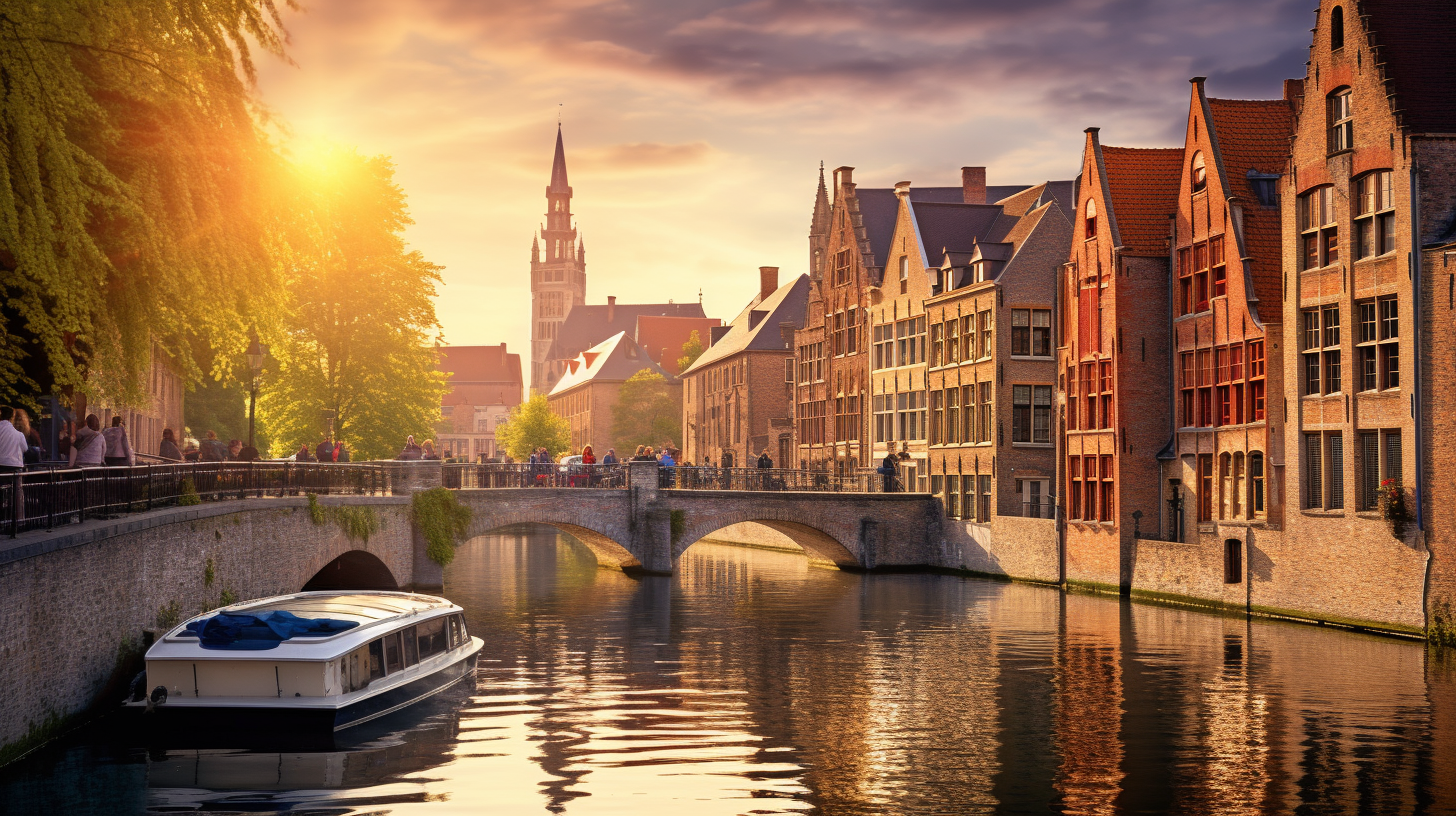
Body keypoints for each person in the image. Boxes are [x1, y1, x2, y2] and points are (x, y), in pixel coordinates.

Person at [0, 406, 26, 474]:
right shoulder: (19, 435)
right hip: (15, 465)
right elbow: (25, 448)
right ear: (12, 417)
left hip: (1, 464)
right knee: (16, 483)